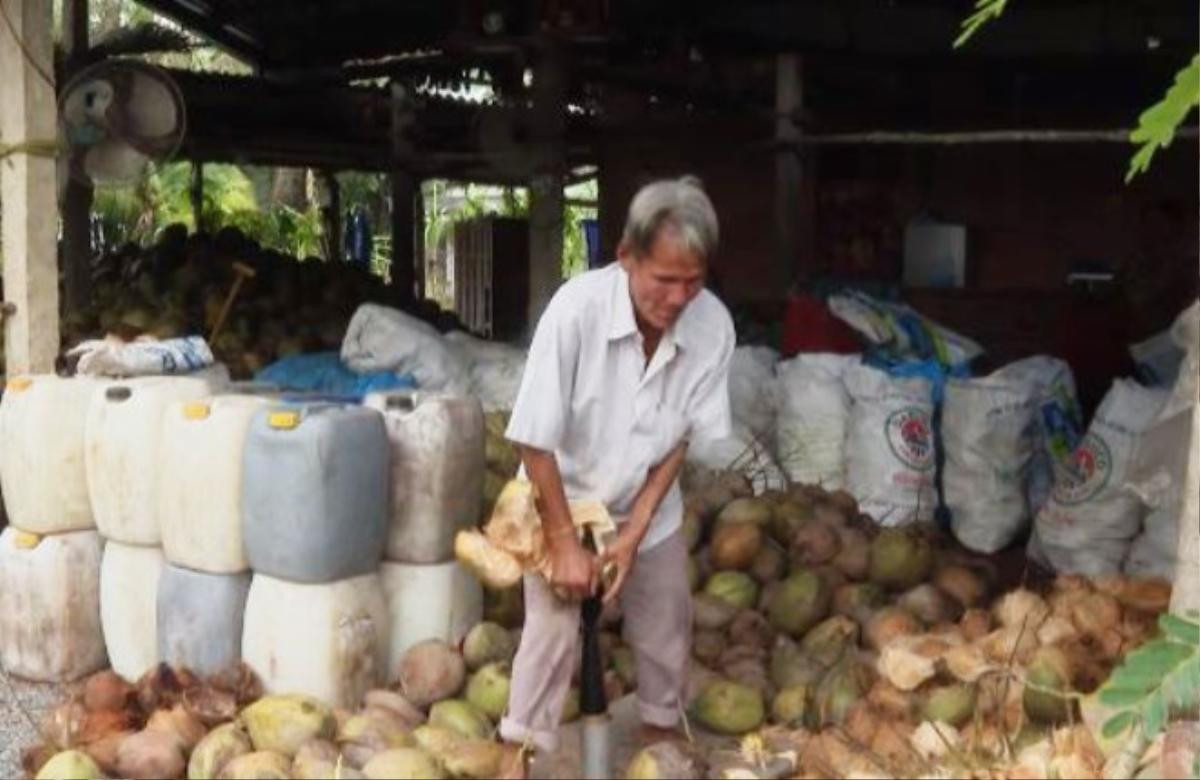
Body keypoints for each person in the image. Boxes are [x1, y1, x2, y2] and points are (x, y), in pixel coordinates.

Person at [497, 176, 735, 775]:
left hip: (646, 505)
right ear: (626, 256)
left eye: (694, 280)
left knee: (665, 621)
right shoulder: (576, 312)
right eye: (665, 279)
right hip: (564, 497)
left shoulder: (713, 328)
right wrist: (560, 542)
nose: (680, 297)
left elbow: (679, 438)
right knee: (551, 638)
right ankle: (516, 758)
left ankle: (661, 743)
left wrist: (634, 532)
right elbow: (534, 437)